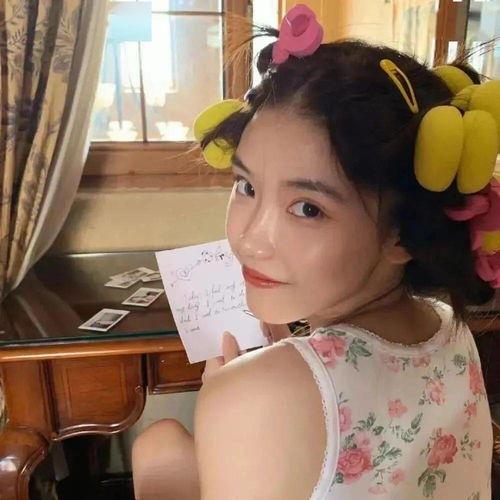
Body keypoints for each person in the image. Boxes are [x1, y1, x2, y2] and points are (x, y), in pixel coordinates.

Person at [132, 4, 499, 499]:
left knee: (157, 449)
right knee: (160, 445)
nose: (249, 240)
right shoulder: (447, 327)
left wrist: (229, 395)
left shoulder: (256, 396)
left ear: (404, 232)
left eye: (307, 209)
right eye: (246, 186)